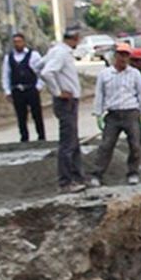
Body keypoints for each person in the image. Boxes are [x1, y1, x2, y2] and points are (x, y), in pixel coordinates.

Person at [89, 43, 141, 187]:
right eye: (121, 55)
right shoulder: (105, 75)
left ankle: (133, 172)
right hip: (113, 115)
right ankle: (97, 174)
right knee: (106, 145)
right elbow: (99, 94)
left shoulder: (135, 74)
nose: (123, 58)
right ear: (115, 56)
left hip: (131, 113)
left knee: (135, 144)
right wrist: (98, 114)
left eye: (126, 55)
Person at [36, 25, 86, 193]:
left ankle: (77, 177)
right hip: (66, 102)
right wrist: (58, 91)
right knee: (68, 143)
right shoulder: (61, 53)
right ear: (75, 38)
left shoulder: (56, 50)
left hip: (69, 101)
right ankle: (65, 182)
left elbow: (37, 66)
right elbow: (46, 72)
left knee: (73, 140)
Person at [2, 32, 45, 143]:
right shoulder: (9, 57)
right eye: (15, 42)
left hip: (31, 89)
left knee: (37, 114)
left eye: (19, 41)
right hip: (17, 90)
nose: (17, 44)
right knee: (21, 115)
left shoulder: (33, 55)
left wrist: (39, 86)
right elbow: (6, 74)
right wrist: (7, 90)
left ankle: (41, 136)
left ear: (24, 42)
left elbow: (41, 71)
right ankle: (24, 137)